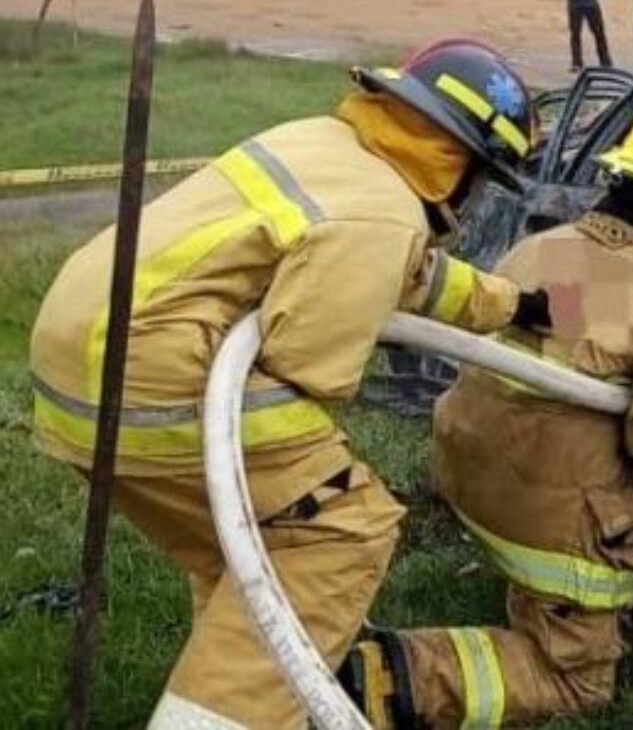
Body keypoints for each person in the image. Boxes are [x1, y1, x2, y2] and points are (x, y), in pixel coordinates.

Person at [29, 39, 552, 730]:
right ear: (456, 160)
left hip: (83, 355)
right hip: (155, 379)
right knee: (340, 529)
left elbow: (409, 274)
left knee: (251, 541)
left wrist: (515, 305)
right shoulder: (382, 212)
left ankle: (246, 693)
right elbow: (311, 365)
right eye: (483, 177)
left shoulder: (328, 147)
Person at [341, 101, 633, 728]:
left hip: (470, 471)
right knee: (577, 683)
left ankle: (529, 604)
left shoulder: (553, 247)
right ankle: (387, 676)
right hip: (548, 516)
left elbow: (576, 340)